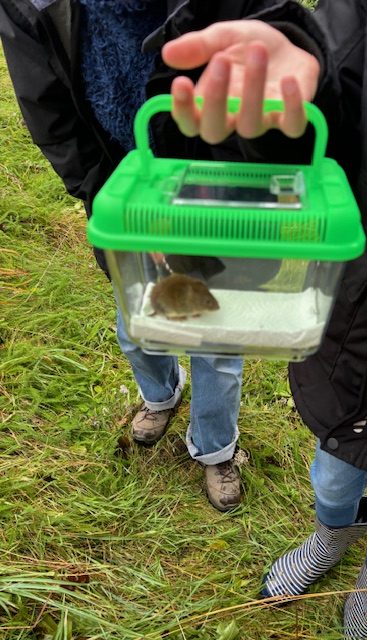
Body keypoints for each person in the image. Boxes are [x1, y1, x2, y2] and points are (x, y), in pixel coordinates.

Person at [162, 3, 367, 638]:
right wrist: (288, 112)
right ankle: (329, 539)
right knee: (332, 476)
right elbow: (331, 113)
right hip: (360, 324)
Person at [0, 0, 317, 512]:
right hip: (120, 190)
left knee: (216, 337)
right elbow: (50, 112)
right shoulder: (29, 6)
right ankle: (160, 395)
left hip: (213, 187)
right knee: (138, 322)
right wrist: (114, 201)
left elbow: (270, 60)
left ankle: (215, 447)